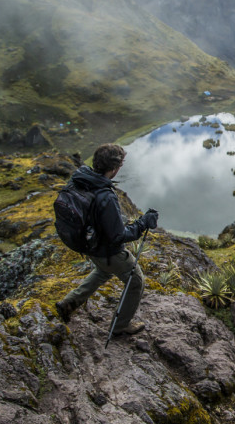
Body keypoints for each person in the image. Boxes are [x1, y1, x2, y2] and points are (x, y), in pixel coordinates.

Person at [55, 143, 158, 336]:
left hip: (89, 246)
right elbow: (118, 236)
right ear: (114, 168)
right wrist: (143, 223)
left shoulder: (82, 180)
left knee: (103, 272)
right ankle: (120, 326)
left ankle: (69, 303)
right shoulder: (106, 195)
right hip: (107, 251)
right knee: (135, 280)